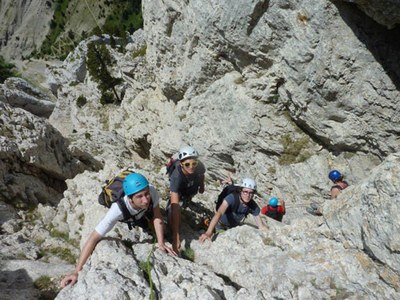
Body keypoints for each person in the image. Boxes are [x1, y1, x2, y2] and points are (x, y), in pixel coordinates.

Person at [60, 173, 177, 288]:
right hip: (129, 215)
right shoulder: (117, 210)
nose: (145, 200)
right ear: (130, 198)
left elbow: (157, 216)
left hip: (141, 212)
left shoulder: (151, 191)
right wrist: (77, 271)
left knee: (164, 228)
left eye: (146, 194)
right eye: (139, 196)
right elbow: (94, 237)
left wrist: (161, 243)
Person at [199, 178, 267, 243]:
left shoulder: (253, 205)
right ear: (241, 191)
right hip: (220, 225)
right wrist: (208, 232)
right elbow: (219, 213)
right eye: (245, 192)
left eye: (251, 193)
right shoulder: (232, 198)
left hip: (232, 227)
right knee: (224, 239)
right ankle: (208, 224)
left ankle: (208, 223)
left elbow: (261, 226)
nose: (248, 195)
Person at [167, 146, 206, 253]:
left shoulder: (199, 166)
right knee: (172, 209)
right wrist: (176, 236)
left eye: (194, 163)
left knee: (190, 193)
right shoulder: (176, 177)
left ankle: (187, 199)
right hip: (180, 188)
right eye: (187, 164)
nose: (191, 167)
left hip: (191, 186)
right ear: (181, 164)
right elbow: (175, 206)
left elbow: (202, 174)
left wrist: (202, 186)